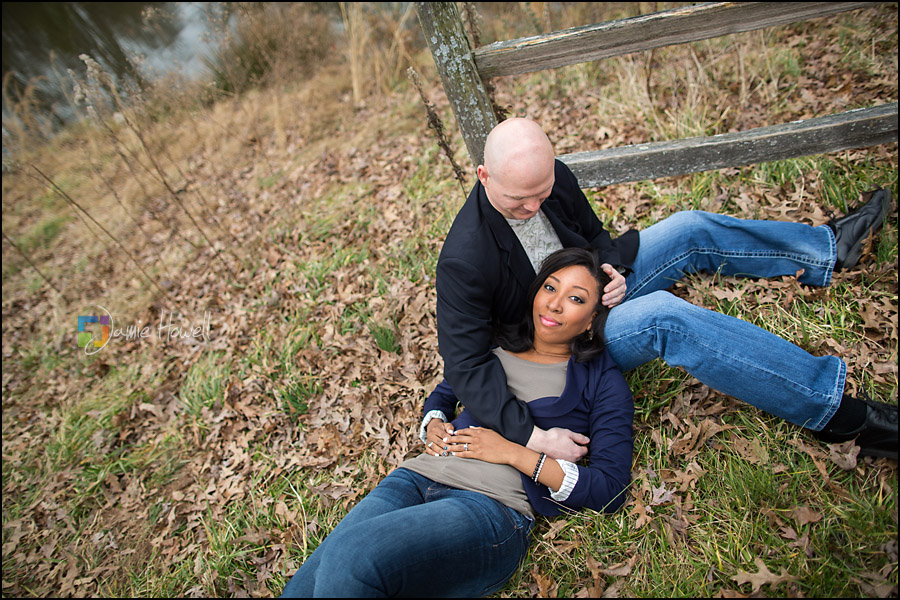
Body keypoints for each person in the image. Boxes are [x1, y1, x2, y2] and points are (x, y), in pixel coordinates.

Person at [431, 117, 897, 463]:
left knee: (687, 227)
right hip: (557, 344)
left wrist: (606, 270)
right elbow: (467, 364)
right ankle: (839, 414)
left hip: (595, 293)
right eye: (519, 201)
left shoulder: (548, 177)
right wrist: (533, 438)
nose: (534, 207)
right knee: (664, 317)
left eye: (543, 192)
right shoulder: (464, 258)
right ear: (484, 176)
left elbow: (593, 236)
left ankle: (824, 249)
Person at [280, 248, 634, 597]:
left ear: (591, 318)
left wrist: (513, 452)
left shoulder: (601, 382)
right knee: (304, 585)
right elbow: (444, 394)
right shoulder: (495, 347)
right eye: (550, 288)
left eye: (575, 298)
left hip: (489, 507)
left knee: (352, 555)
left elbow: (610, 487)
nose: (554, 304)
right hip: (416, 477)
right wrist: (433, 422)